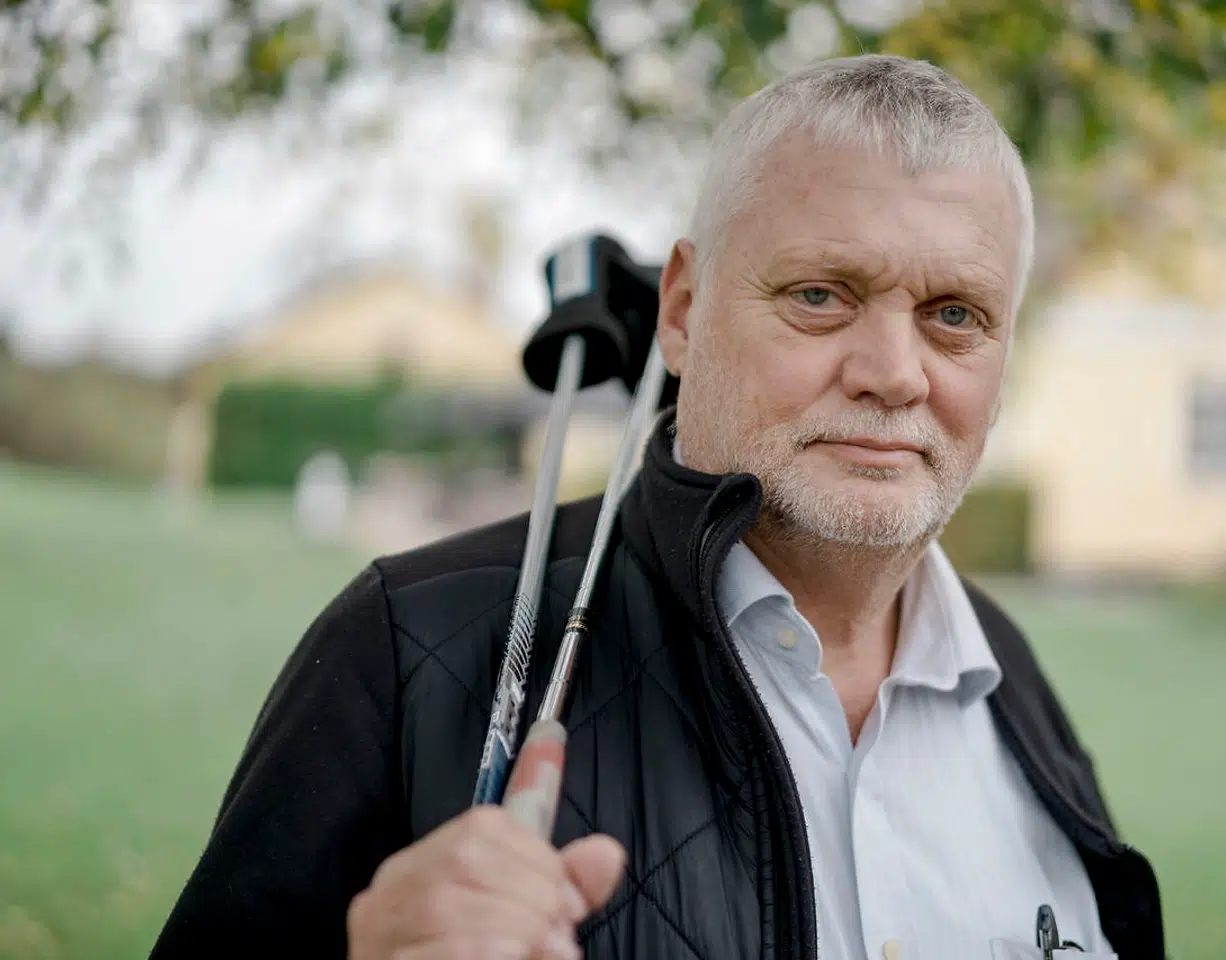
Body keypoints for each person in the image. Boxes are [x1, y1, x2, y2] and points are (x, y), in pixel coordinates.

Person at [152, 54, 1164, 960]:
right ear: (682, 312)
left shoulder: (1014, 687)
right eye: (821, 295)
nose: (895, 373)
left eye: (956, 316)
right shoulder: (408, 647)